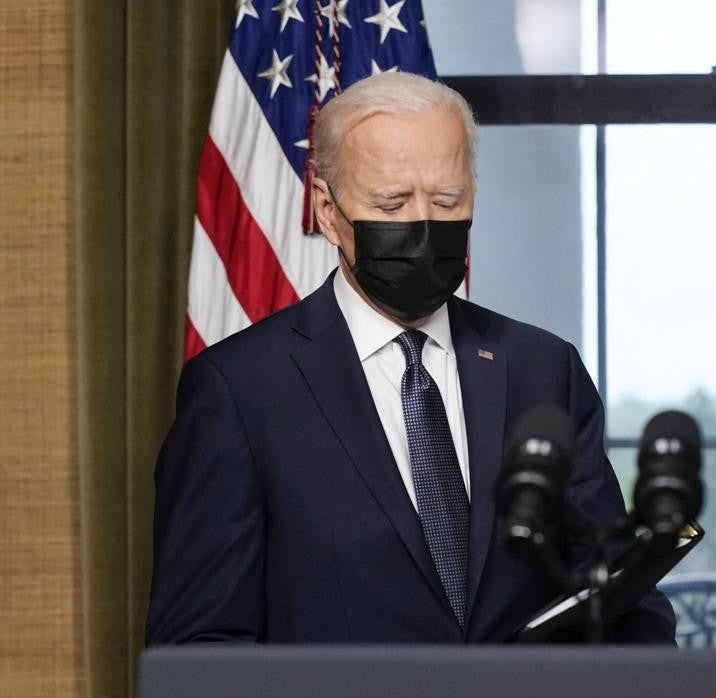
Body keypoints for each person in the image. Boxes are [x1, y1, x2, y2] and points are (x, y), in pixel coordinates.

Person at [145, 72, 675, 644]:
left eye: (447, 201)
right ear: (326, 210)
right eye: (391, 203)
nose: (424, 226)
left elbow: (619, 594)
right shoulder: (240, 390)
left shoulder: (544, 371)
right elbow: (200, 647)